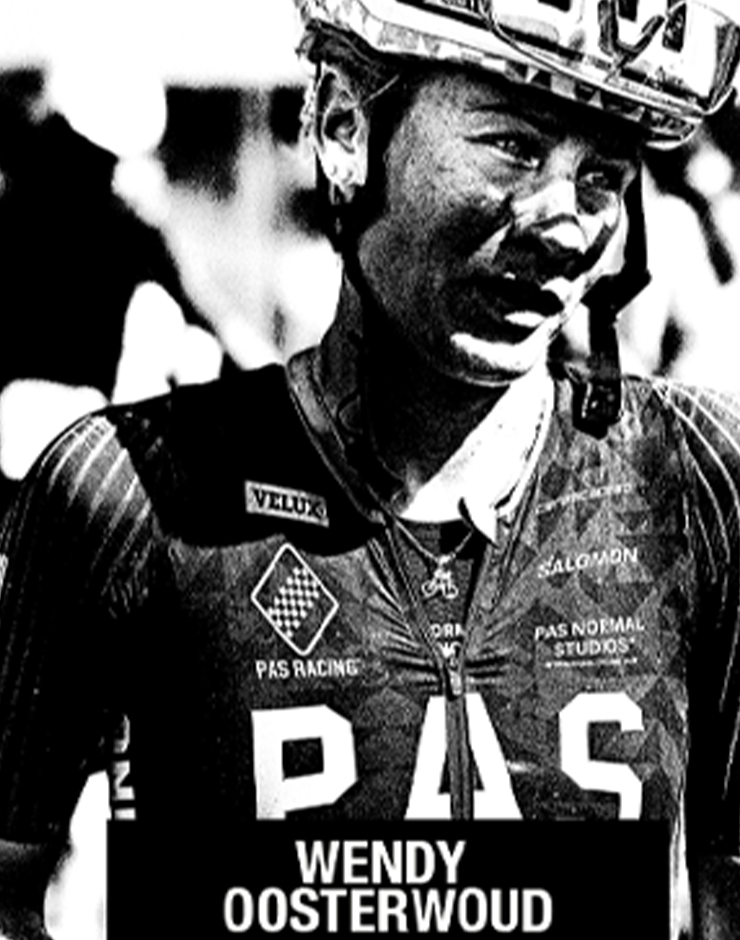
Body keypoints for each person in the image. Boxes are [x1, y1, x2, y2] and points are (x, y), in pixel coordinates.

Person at [1, 0, 740, 937]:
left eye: (602, 175)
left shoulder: (693, 479)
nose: (566, 227)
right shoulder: (122, 494)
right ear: (345, 126)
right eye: (514, 147)